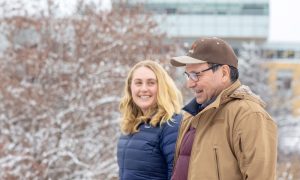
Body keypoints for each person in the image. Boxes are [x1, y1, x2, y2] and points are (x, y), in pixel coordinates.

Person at [170, 37, 277, 180]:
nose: (189, 84)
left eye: (196, 75)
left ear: (224, 73)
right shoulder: (191, 115)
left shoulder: (249, 116)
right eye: (188, 75)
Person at [117, 60, 183, 180]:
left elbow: (178, 175)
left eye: (151, 83)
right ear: (130, 88)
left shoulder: (172, 125)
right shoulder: (131, 126)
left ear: (162, 87)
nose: (144, 89)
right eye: (138, 83)